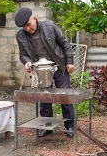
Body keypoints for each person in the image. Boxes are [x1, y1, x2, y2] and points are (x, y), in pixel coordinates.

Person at [14, 8, 75, 138]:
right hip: (39, 70)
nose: (27, 28)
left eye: (28, 24)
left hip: (59, 66)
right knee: (44, 97)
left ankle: (70, 126)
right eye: (24, 27)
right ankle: (47, 126)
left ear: (34, 18)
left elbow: (65, 44)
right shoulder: (20, 35)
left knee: (65, 95)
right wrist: (26, 62)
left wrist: (69, 61)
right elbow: (23, 54)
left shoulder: (50, 27)